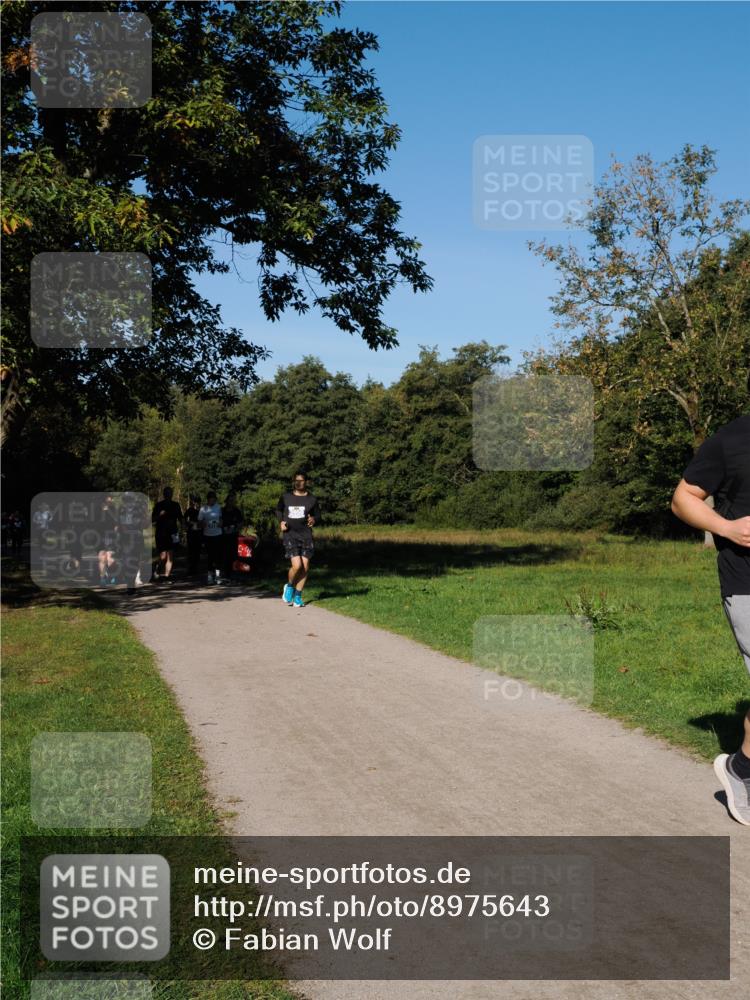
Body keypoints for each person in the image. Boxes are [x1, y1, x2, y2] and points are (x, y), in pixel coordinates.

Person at [671, 413, 750, 826]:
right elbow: (683, 498)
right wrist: (727, 528)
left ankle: (743, 766)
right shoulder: (731, 440)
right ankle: (742, 770)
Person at [275, 471, 321, 608]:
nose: (298, 483)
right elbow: (278, 510)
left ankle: (298, 597)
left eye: (301, 480)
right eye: (296, 480)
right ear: (293, 481)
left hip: (306, 535)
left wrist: (314, 519)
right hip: (290, 534)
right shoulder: (286, 497)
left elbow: (318, 515)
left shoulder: (312, 499)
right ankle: (289, 586)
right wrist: (281, 522)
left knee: (305, 567)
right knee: (297, 566)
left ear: (306, 482)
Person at [151, 487, 183, 584]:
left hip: (173, 533)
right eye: (167, 493)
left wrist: (184, 525)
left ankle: (166, 577)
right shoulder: (159, 505)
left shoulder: (176, 505)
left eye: (170, 493)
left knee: (170, 556)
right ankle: (157, 568)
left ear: (172, 494)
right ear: (164, 494)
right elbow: (152, 519)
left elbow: (180, 517)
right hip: (161, 533)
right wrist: (160, 515)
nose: (169, 495)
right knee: (163, 556)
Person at [198, 490, 223, 584]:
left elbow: (221, 519)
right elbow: (199, 522)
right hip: (207, 535)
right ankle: (209, 576)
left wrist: (221, 523)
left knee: (218, 556)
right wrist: (202, 524)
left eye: (214, 499)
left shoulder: (218, 507)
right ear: (208, 499)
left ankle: (217, 576)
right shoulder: (203, 509)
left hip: (217, 534)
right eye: (211, 499)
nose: (213, 501)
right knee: (210, 556)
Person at [221, 493, 243, 583]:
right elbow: (219, 521)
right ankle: (226, 574)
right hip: (223, 536)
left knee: (234, 555)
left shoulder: (237, 511)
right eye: (229, 501)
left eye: (233, 501)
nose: (231, 502)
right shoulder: (222, 511)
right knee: (225, 555)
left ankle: (234, 574)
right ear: (226, 501)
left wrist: (235, 529)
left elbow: (241, 523)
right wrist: (223, 529)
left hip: (233, 536)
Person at [97, 495, 118, 585]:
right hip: (100, 536)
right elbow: (94, 523)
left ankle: (113, 576)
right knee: (102, 558)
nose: (109, 502)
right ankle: (102, 578)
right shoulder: (97, 510)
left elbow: (117, 522)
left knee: (110, 559)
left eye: (111, 501)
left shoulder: (113, 510)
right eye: (108, 501)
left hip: (111, 536)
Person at [184, 494, 203, 576]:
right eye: (196, 501)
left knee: (198, 550)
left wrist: (200, 524)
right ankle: (190, 568)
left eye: (198, 502)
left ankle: (196, 568)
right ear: (193, 502)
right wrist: (189, 523)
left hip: (199, 533)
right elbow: (184, 519)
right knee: (191, 550)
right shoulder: (190, 510)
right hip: (191, 533)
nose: (197, 503)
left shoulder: (202, 511)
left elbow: (205, 520)